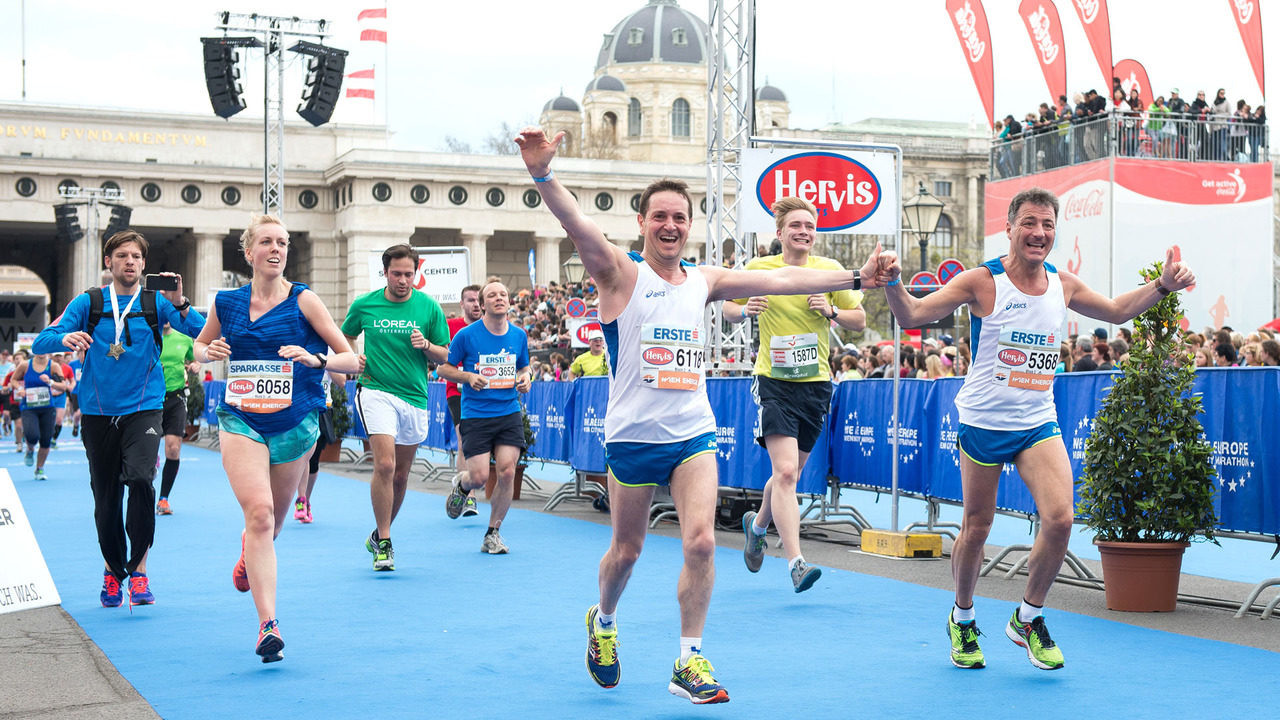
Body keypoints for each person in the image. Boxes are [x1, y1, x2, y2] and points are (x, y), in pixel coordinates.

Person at [515, 126, 890, 704]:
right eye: (660, 217)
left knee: (701, 543)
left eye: (680, 218)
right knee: (627, 552)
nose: (670, 226)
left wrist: (858, 279)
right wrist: (542, 173)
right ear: (642, 223)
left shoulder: (704, 280)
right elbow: (576, 223)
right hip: (633, 438)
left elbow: (783, 278)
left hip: (692, 433)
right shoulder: (619, 273)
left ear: (690, 226)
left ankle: (689, 659)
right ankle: (604, 620)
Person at [879, 187, 1194, 671]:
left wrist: (1163, 286)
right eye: (1029, 223)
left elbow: (1115, 311)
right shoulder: (982, 282)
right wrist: (893, 282)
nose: (1039, 233)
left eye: (1048, 225)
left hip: (1035, 421)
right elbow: (913, 314)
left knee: (1061, 519)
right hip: (984, 422)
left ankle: (1028, 617)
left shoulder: (1062, 284)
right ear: (1009, 228)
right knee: (977, 527)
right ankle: (962, 617)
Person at [195, 214, 359, 662]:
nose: (276, 249)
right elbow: (199, 346)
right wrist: (207, 351)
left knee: (273, 524)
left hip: (295, 422)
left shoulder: (304, 300)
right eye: (267, 242)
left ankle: (249, 552)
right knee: (261, 514)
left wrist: (316, 358)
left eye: (282, 243)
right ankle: (268, 625)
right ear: (249, 252)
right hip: (241, 419)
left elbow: (351, 360)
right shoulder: (226, 302)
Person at [33, 232, 205, 609]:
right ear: (108, 262)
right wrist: (66, 338)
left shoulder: (156, 303)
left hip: (144, 408)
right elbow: (41, 342)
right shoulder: (89, 302)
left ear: (144, 264)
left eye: (136, 256)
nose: (130, 261)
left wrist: (181, 303)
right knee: (107, 498)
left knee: (141, 480)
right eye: (122, 255)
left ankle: (139, 571)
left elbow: (203, 331)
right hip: (98, 413)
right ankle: (112, 571)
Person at [723, 195, 866, 593]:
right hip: (774, 380)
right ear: (780, 232)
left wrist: (832, 312)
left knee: (790, 474)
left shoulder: (829, 271)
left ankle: (757, 525)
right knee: (786, 472)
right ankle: (796, 563)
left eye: (809, 226)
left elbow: (859, 320)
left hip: (815, 383)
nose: (804, 232)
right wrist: (745, 309)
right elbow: (727, 308)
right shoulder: (759, 268)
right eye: (796, 226)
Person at [342, 244, 451, 572]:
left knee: (401, 475)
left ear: (416, 273)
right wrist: (354, 358)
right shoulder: (365, 304)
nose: (403, 280)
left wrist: (426, 345)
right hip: (375, 390)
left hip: (414, 395)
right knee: (386, 465)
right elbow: (345, 336)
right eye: (396, 274)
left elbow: (445, 354)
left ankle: (379, 533)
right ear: (385, 273)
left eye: (408, 274)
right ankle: (386, 542)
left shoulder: (429, 307)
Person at [438, 281, 532, 554]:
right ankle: (462, 485)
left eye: (503, 294)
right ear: (482, 304)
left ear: (509, 302)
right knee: (479, 477)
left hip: (508, 412)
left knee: (507, 471)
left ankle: (493, 532)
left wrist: (526, 378)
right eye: (492, 295)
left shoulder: (519, 335)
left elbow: (524, 367)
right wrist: (468, 376)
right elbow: (443, 369)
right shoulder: (466, 336)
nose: (499, 298)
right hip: (476, 414)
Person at [445, 284, 484, 518]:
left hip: (486, 393)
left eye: (478, 300)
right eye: (470, 300)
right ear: (462, 304)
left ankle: (464, 485)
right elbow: (439, 354)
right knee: (463, 442)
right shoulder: (450, 326)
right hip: (457, 391)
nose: (476, 304)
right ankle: (469, 497)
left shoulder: (490, 327)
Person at [156, 324, 200, 515]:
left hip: (177, 398)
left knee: (173, 449)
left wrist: (196, 365)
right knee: (147, 451)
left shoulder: (184, 339)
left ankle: (163, 499)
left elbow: (195, 359)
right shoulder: (148, 336)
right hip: (152, 400)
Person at [295, 367, 347, 524]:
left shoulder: (329, 354)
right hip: (302, 408)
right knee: (304, 454)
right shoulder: (299, 352)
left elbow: (341, 381)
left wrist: (323, 362)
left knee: (314, 460)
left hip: (322, 410)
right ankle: (301, 501)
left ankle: (306, 500)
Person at [10, 352, 69, 480]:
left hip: (47, 407)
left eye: (44, 350)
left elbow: (63, 386)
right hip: (29, 407)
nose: (41, 352)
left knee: (46, 440)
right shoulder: (25, 365)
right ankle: (30, 449)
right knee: (32, 435)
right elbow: (13, 380)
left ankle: (39, 469)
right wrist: (19, 389)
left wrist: (50, 382)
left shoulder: (53, 366)